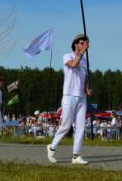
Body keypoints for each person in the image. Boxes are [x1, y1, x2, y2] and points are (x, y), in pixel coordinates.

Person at [46, 33, 92, 165]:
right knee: (66, 125)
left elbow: (83, 80)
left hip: (81, 97)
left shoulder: (84, 61)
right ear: (76, 44)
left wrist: (86, 90)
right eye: (82, 43)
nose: (85, 45)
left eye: (86, 43)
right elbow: (72, 65)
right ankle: (52, 147)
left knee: (80, 127)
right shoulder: (67, 56)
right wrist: (81, 53)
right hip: (69, 96)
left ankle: (76, 156)